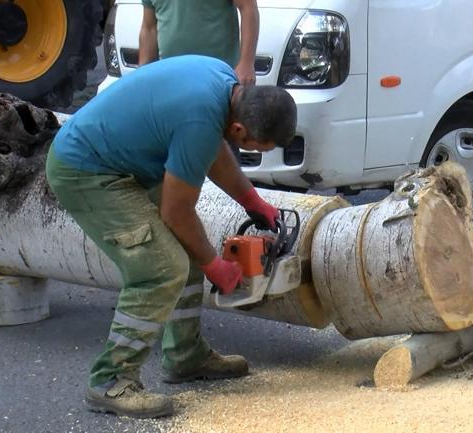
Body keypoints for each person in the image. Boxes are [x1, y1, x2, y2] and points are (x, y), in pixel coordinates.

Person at [45, 55, 296, 419]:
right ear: (240, 130)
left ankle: (184, 355)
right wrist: (216, 268)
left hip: (118, 161)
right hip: (86, 170)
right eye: (260, 147)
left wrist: (252, 200)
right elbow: (176, 212)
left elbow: (213, 151)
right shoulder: (200, 120)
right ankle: (110, 381)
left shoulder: (224, 84)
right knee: (161, 267)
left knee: (186, 248)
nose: (255, 151)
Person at [138, 0, 259, 85]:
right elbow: (149, 28)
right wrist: (142, 74)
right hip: (171, 77)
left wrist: (246, 63)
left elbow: (248, 7)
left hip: (218, 77)